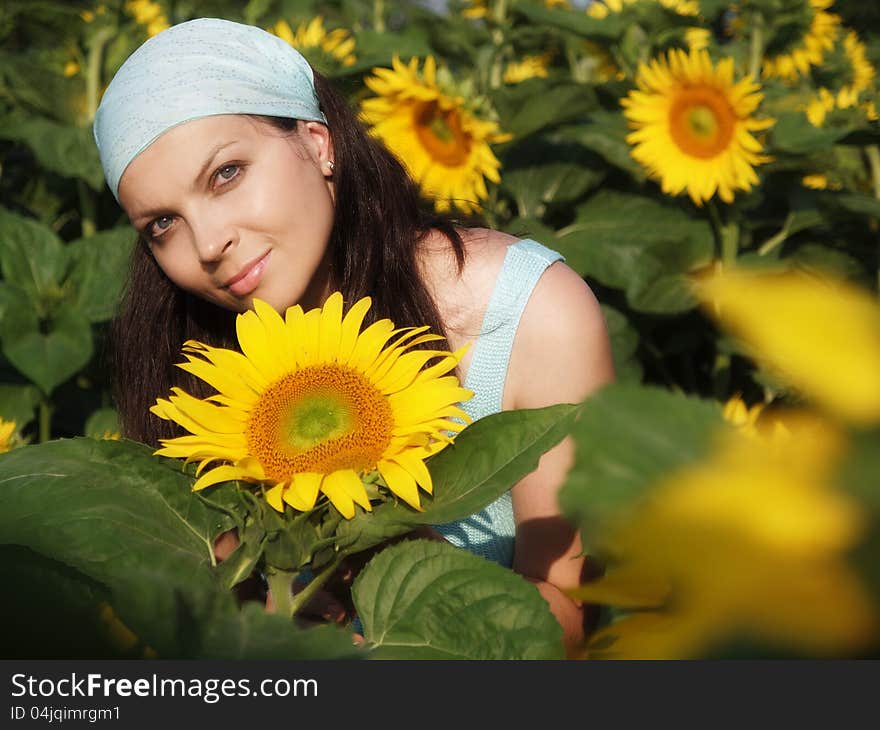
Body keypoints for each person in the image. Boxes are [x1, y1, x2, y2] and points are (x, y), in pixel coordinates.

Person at [93, 17, 615, 658]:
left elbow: (568, 620)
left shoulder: (528, 313)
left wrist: (399, 574)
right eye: (163, 223)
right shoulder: (203, 376)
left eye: (226, 174)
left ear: (317, 142)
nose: (207, 245)